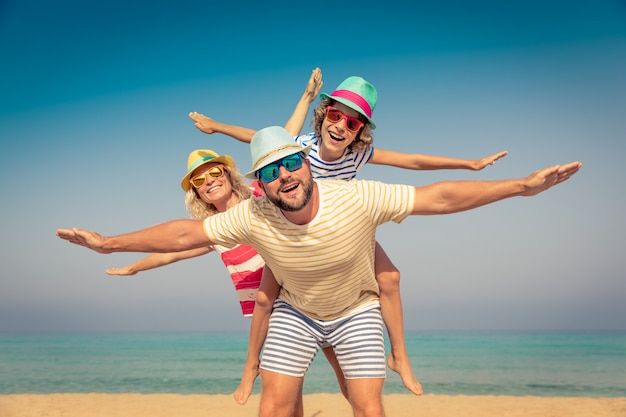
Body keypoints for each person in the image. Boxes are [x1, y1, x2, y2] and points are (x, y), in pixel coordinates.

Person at [57, 126, 581, 417]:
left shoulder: (355, 195)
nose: (285, 176)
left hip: (356, 310)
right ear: (258, 184)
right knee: (274, 407)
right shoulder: (253, 213)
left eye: (291, 163)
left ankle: (401, 356)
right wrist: (108, 245)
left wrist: (520, 186)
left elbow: (437, 197)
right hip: (296, 311)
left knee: (368, 408)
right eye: (271, 171)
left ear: (307, 163)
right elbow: (182, 236)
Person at [188, 70, 508, 397]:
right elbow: (258, 137)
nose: (341, 125)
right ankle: (250, 368)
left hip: (341, 230)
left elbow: (412, 161)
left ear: (360, 133)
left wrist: (470, 164)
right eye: (336, 115)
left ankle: (399, 355)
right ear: (324, 114)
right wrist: (216, 127)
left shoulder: (359, 154)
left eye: (352, 123)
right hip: (292, 231)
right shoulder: (301, 147)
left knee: (390, 278)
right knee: (265, 298)